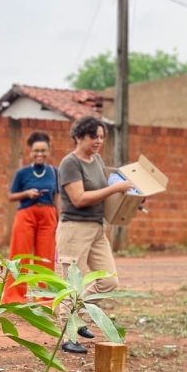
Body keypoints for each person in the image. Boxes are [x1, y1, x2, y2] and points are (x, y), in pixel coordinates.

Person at [56, 116, 133, 354]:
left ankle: (78, 317)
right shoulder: (70, 163)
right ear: (79, 136)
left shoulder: (96, 160)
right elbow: (79, 199)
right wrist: (115, 189)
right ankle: (68, 337)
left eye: (101, 137)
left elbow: (104, 193)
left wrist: (130, 198)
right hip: (75, 229)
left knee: (108, 280)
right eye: (94, 136)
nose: (99, 141)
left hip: (97, 227)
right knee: (72, 284)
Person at [3, 131, 59, 304]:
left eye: (43, 150)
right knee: (19, 257)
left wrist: (60, 219)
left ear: (49, 152)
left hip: (48, 215)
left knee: (46, 257)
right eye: (36, 150)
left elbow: (58, 197)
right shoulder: (22, 173)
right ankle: (15, 297)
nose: (39, 154)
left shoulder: (55, 172)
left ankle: (46, 297)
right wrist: (27, 193)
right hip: (26, 214)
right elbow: (10, 196)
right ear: (30, 152)